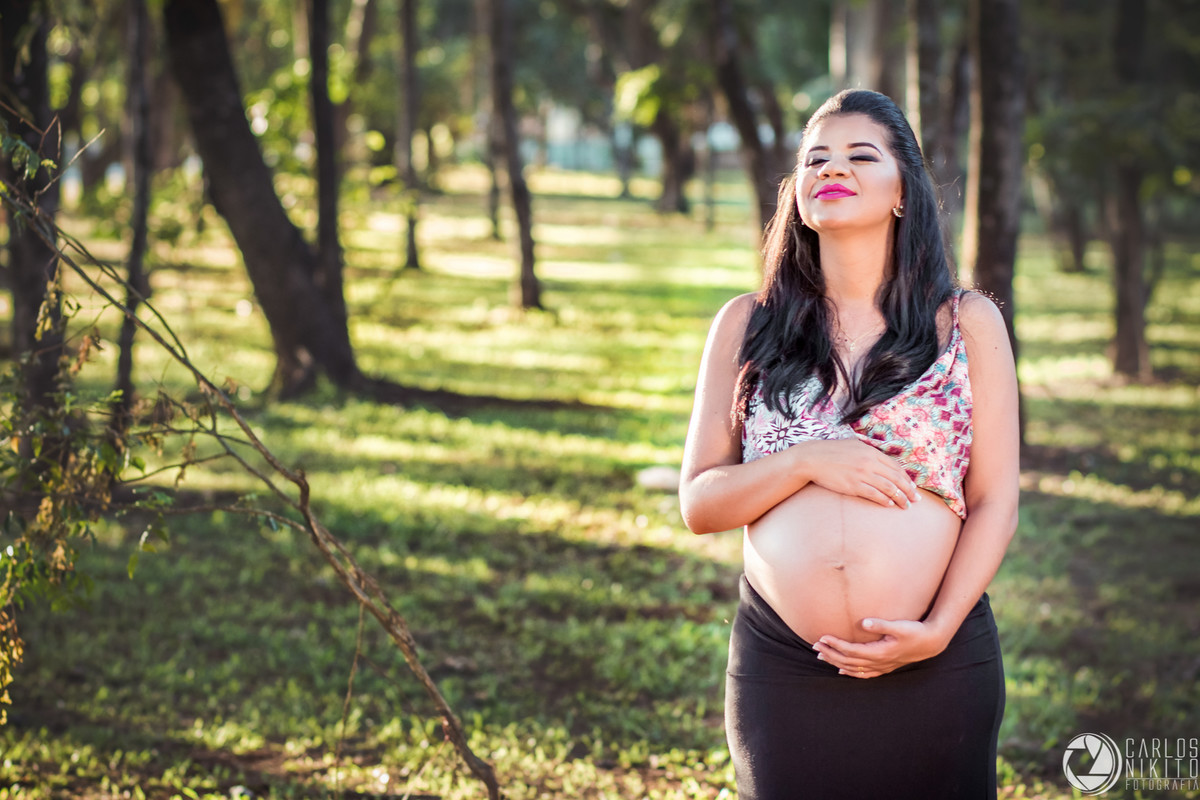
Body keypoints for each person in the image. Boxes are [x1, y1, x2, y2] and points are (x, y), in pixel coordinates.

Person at [679, 89, 1020, 799]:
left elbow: (994, 500)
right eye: (816, 159)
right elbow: (701, 504)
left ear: (903, 192)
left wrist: (938, 629)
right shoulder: (746, 324)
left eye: (861, 156)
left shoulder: (966, 322)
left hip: (938, 662)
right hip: (785, 669)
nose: (832, 168)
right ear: (798, 194)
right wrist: (807, 460)